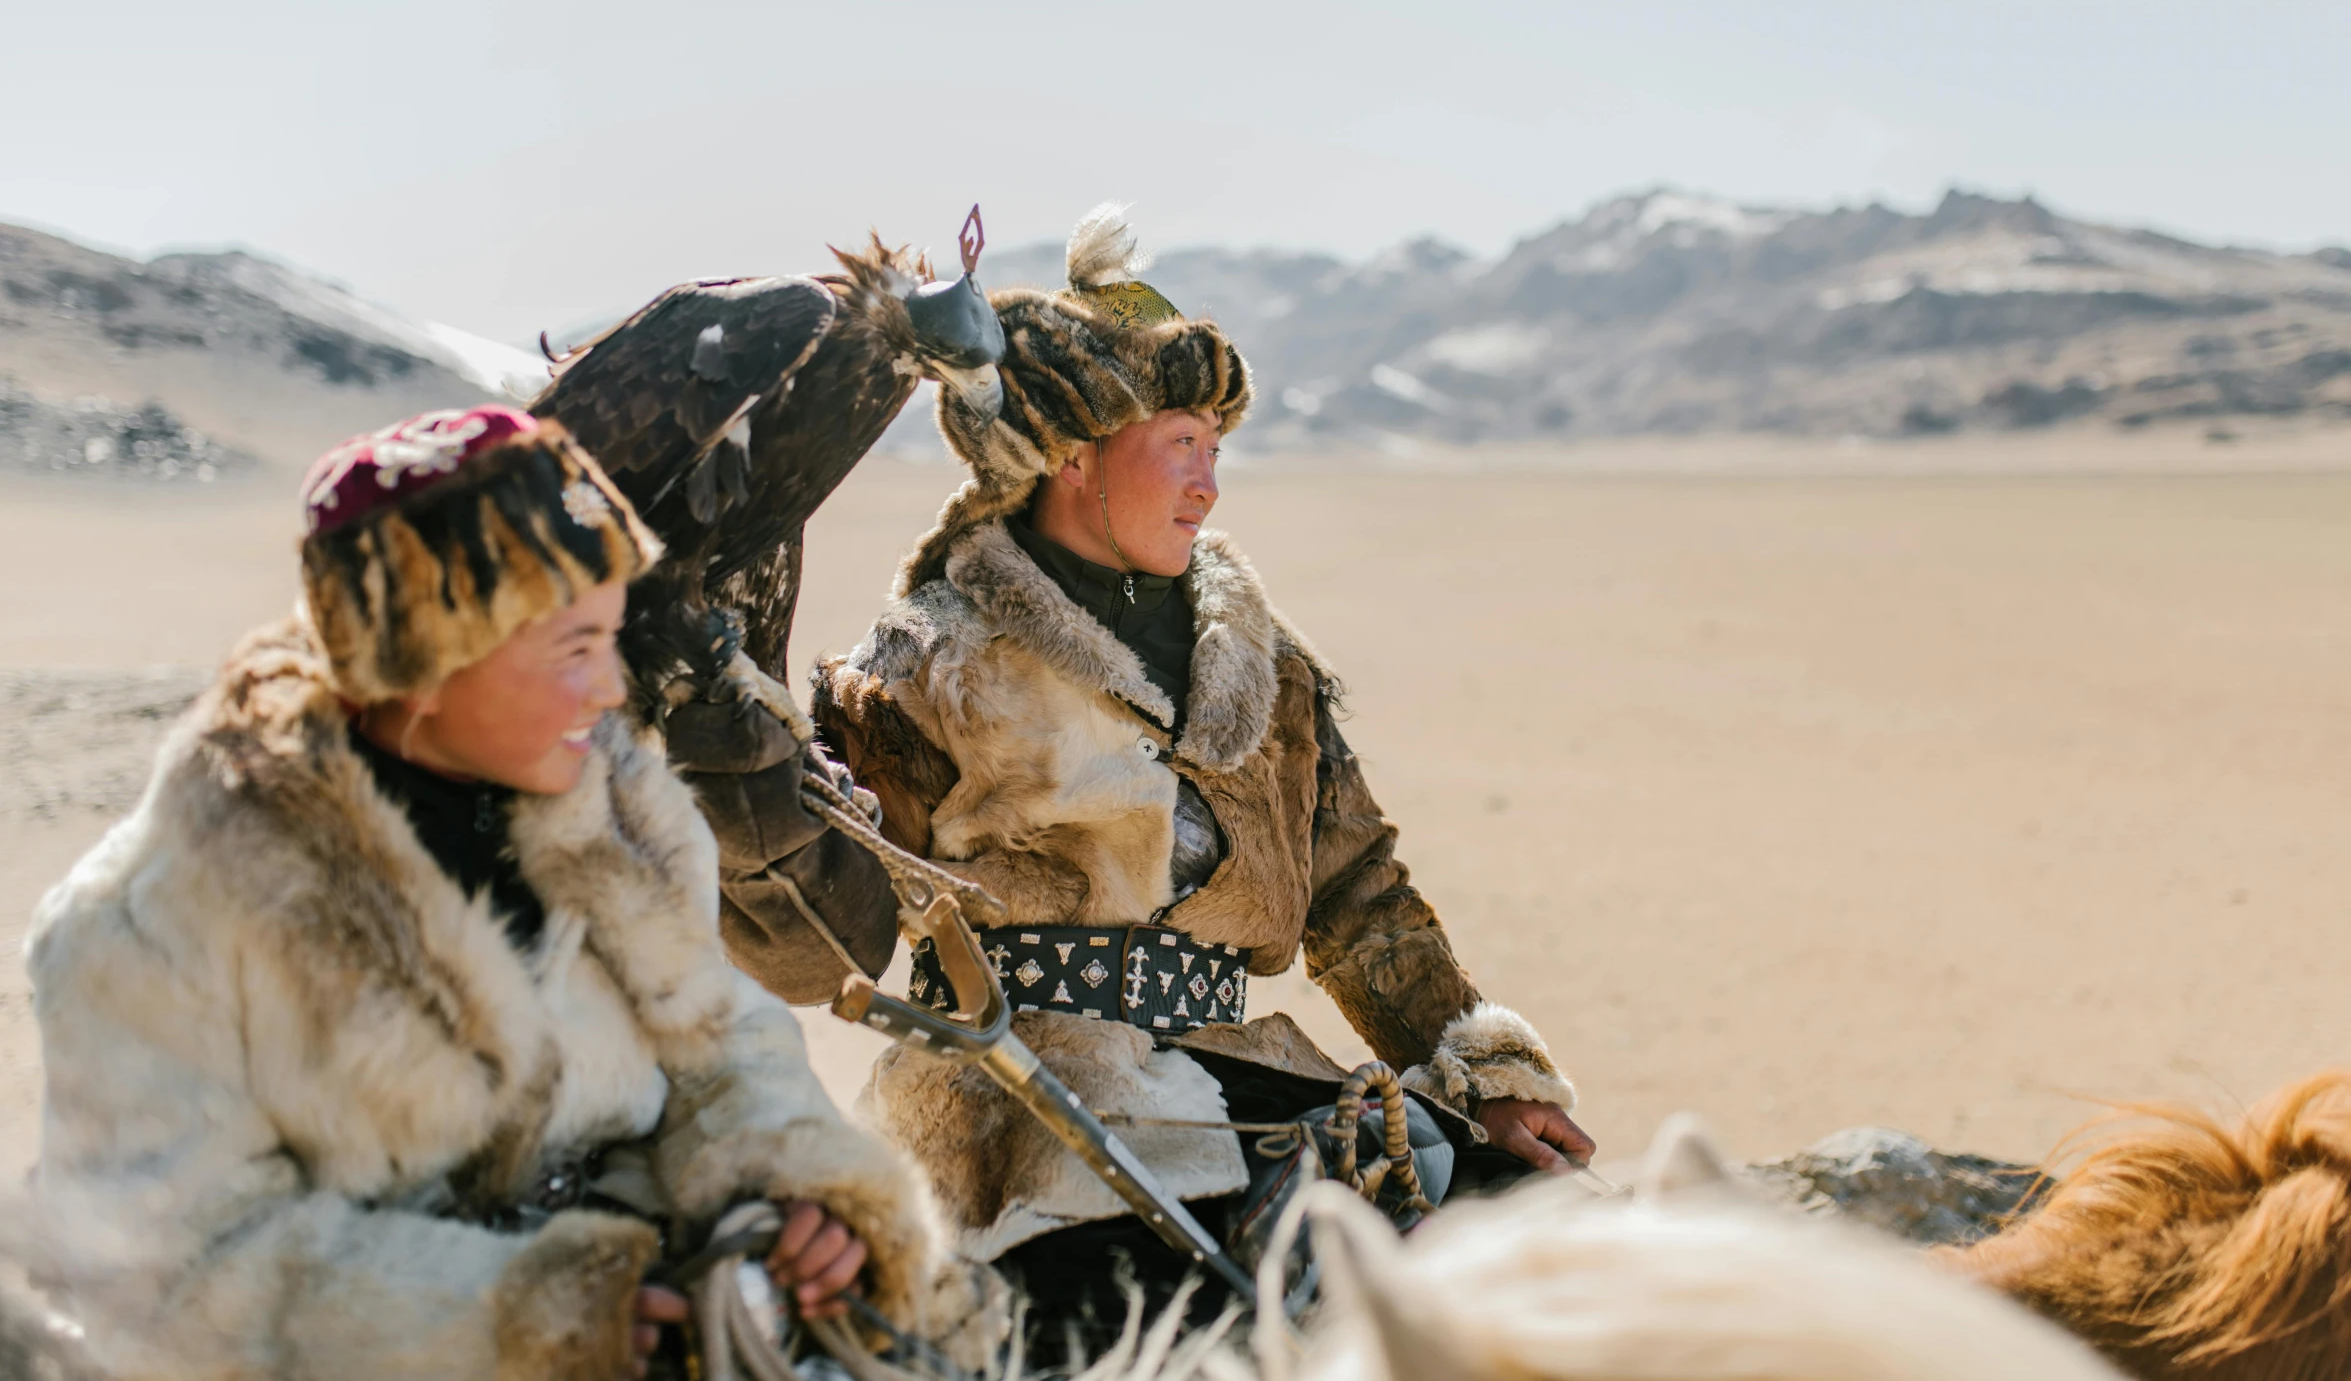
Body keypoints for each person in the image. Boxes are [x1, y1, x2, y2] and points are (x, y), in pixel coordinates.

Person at [717, 208, 1591, 1332]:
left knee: (1538, 1244)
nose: (1206, 483)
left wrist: (1478, 1070)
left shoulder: (1269, 673)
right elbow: (817, 931)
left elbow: (1356, 893)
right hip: (1022, 1110)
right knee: (1153, 1328)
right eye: (1179, 442)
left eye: (1214, 448)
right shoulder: (921, 666)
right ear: (1071, 453)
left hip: (1247, 1081)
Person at [27, 406, 983, 1381]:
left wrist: (799, 1191)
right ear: (420, 659)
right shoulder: (151, 924)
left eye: (611, 639)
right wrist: (520, 1315)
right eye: (571, 649)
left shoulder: (618, 811)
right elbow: (175, 1277)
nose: (609, 690)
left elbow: (721, 1043)